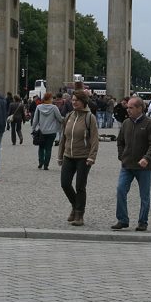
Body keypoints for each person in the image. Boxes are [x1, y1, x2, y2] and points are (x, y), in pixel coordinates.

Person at [112, 96, 151, 231]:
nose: (128, 110)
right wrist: (121, 156)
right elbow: (120, 141)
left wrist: (147, 158)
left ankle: (143, 221)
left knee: (144, 196)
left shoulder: (149, 124)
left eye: (131, 108)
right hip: (127, 165)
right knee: (120, 190)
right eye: (128, 107)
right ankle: (122, 219)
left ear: (140, 108)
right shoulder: (126, 123)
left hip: (144, 167)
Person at [57, 90, 100, 226]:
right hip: (68, 155)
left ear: (83, 102)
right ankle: (75, 206)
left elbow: (94, 139)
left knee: (80, 186)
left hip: (83, 157)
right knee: (65, 183)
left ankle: (79, 214)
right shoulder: (69, 115)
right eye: (73, 100)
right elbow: (64, 137)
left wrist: (92, 156)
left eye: (76, 100)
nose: (73, 102)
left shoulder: (89, 117)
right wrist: (60, 155)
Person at [30, 92, 65, 170]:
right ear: (50, 99)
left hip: (41, 131)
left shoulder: (39, 107)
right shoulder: (54, 108)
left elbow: (35, 120)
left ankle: (40, 162)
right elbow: (59, 118)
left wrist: (33, 130)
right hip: (51, 132)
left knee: (41, 147)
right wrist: (65, 120)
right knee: (48, 148)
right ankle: (46, 165)